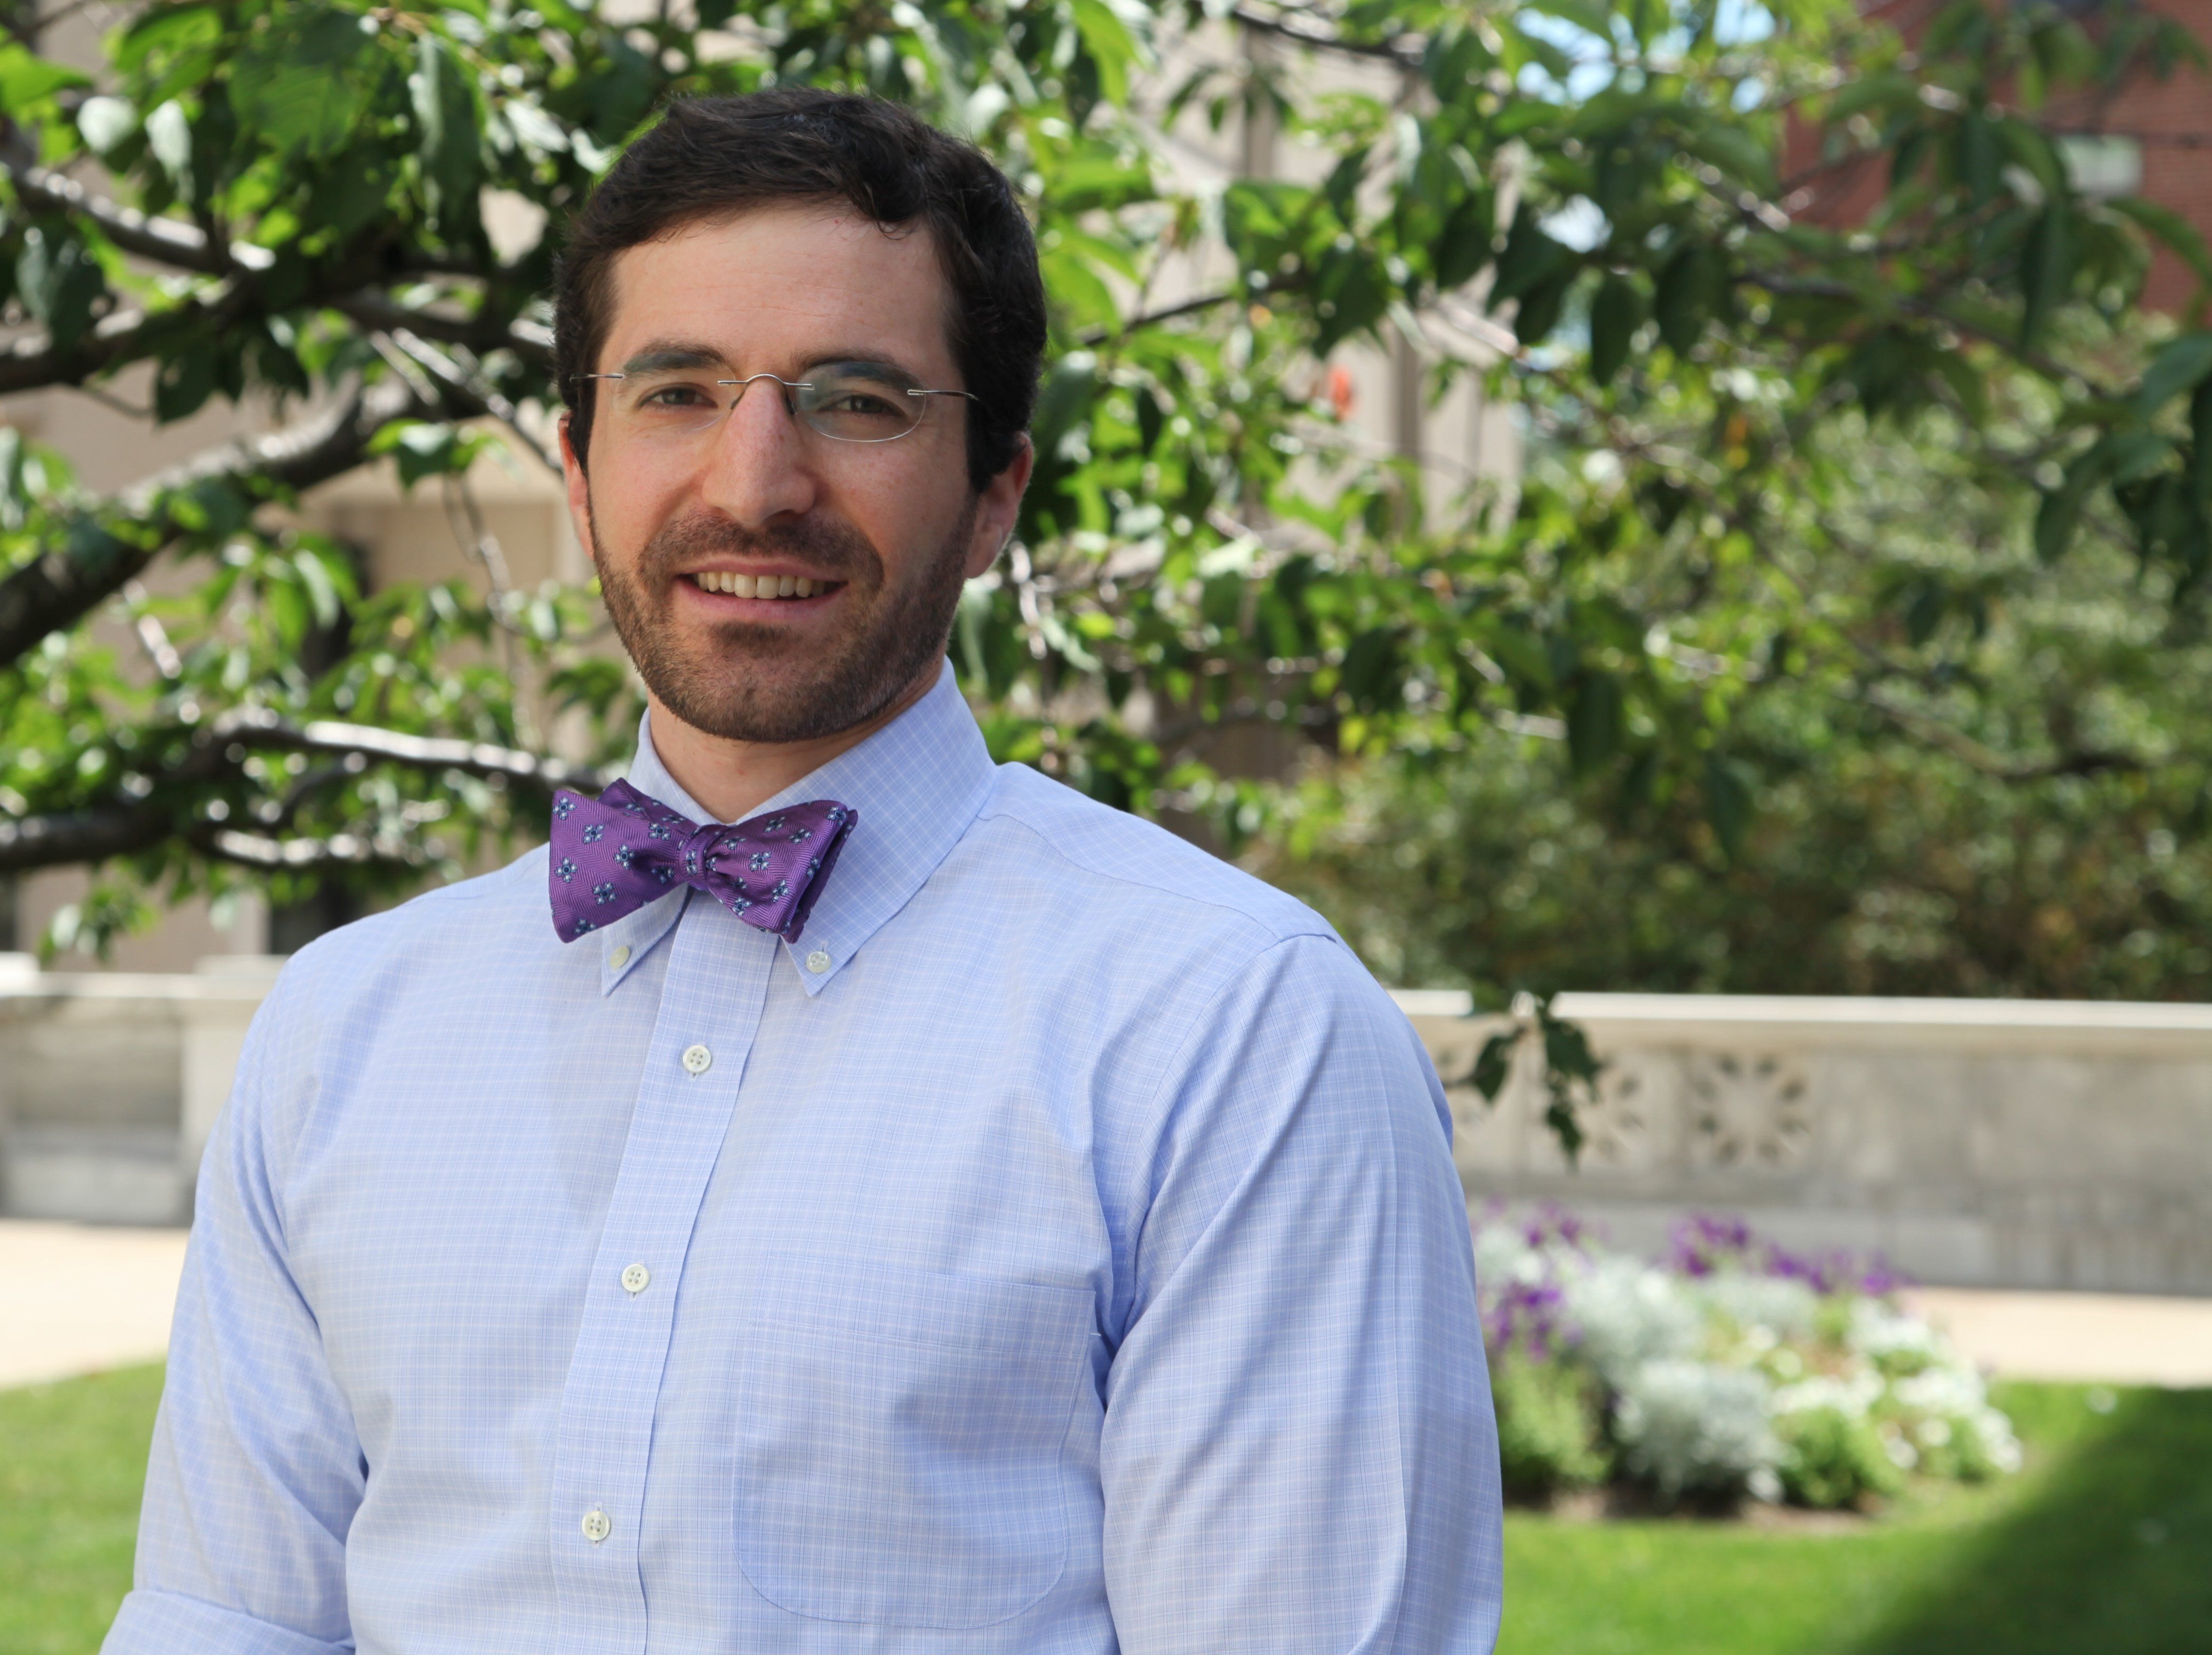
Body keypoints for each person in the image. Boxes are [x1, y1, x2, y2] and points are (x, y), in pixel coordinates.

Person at [101, 91, 1501, 1655]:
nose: (754, 483)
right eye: (677, 392)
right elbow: (225, 1622)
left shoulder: (1236, 1032)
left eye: (858, 402)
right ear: (578, 470)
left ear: (994, 495)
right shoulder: (341, 1029)